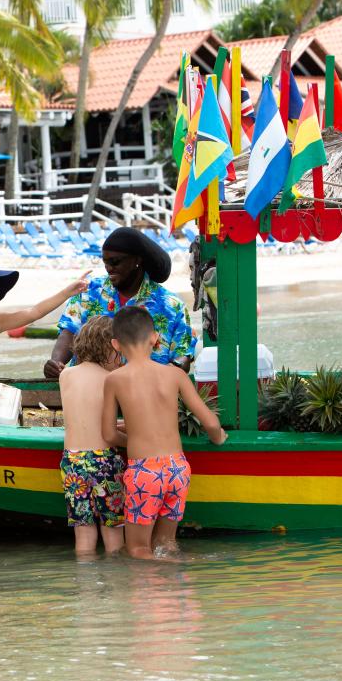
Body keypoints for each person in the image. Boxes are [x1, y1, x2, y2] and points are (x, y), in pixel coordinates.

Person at [102, 307, 226, 559]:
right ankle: (175, 589)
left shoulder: (115, 379)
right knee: (165, 544)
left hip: (145, 472)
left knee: (138, 550)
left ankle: (178, 571)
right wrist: (219, 438)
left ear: (115, 344)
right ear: (155, 338)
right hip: (178, 469)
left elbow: (108, 434)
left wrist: (135, 438)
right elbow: (211, 424)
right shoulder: (175, 374)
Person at [44, 227, 195, 378]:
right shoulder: (89, 291)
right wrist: (56, 363)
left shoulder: (172, 306)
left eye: (115, 262)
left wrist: (167, 372)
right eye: (105, 263)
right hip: (90, 390)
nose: (109, 268)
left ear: (137, 260)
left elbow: (183, 356)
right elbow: (69, 332)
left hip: (144, 394)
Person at [58, 316, 125, 556]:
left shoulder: (66, 375)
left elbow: (85, 415)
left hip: (73, 462)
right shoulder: (112, 379)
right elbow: (107, 431)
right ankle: (116, 580)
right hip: (103, 461)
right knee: (113, 529)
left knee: (83, 531)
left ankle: (86, 586)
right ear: (110, 347)